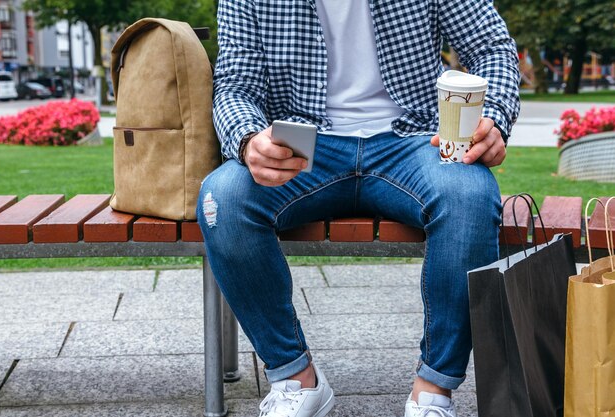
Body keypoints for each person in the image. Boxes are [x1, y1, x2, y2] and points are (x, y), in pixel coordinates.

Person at [197, 0, 520, 416]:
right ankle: (295, 378)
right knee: (221, 198)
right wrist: (247, 139)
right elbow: (236, 84)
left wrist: (492, 117)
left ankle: (433, 393)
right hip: (304, 140)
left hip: (414, 137)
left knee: (470, 196)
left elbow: (491, 46)